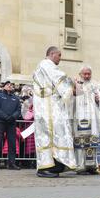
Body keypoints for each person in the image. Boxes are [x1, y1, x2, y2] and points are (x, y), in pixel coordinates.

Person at [33, 46, 77, 178]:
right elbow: (60, 78)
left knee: (52, 134)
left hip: (48, 105)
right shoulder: (47, 64)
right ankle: (45, 167)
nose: (60, 58)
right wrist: (71, 84)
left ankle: (56, 165)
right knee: (50, 134)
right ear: (52, 54)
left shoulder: (42, 66)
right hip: (48, 107)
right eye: (59, 55)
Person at [73, 66, 100, 175]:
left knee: (91, 142)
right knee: (81, 142)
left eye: (89, 74)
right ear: (80, 74)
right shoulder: (76, 84)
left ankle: (92, 166)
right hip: (79, 117)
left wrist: (99, 100)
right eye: (85, 74)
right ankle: (81, 166)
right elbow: (69, 99)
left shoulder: (94, 85)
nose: (87, 76)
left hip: (92, 119)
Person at [0, 81, 21, 170]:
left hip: (11, 123)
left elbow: (18, 110)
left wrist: (12, 117)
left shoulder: (16, 98)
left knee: (12, 144)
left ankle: (12, 163)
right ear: (3, 87)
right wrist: (5, 117)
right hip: (0, 122)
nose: (10, 86)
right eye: (8, 85)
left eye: (11, 85)